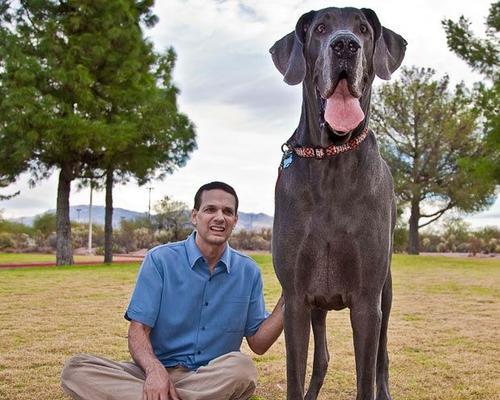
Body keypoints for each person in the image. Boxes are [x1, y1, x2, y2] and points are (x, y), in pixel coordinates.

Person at [61, 181, 284, 400]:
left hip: (210, 377)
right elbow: (139, 330)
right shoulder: (160, 260)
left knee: (242, 369)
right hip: (154, 372)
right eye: (210, 209)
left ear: (235, 220)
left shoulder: (248, 271)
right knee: (75, 369)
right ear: (194, 216)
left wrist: (290, 298)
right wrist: (154, 371)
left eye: (227, 211)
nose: (219, 217)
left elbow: (259, 343)